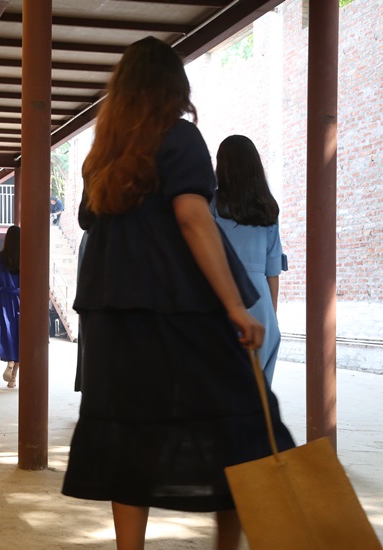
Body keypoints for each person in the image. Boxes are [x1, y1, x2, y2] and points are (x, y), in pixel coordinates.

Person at [61, 37, 295, 550]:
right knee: (241, 425)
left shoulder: (102, 154)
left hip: (111, 314)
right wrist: (236, 305)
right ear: (174, 86)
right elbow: (192, 218)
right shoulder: (180, 138)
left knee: (130, 434)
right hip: (179, 310)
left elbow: (90, 224)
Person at [213, 135, 287, 387]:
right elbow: (273, 271)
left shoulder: (211, 205)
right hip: (261, 301)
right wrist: (271, 317)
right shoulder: (268, 208)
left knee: (222, 388)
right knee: (258, 393)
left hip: (222, 299)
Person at [0, 226, 21, 388]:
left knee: (8, 334)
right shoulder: (27, 257)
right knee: (21, 336)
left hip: (3, 301)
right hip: (23, 300)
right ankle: (14, 374)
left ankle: (9, 363)